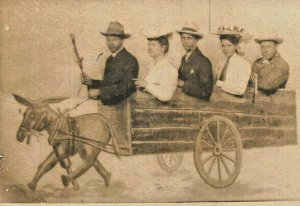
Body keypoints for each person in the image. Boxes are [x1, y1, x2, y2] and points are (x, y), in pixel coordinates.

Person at [81, 21, 139, 105]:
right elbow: (107, 84)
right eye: (108, 40)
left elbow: (127, 88)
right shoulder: (109, 59)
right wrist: (91, 82)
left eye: (114, 40)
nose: (110, 43)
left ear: (122, 40)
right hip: (107, 107)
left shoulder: (130, 60)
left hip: (122, 109)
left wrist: (100, 91)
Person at [134, 31, 178, 102]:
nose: (150, 48)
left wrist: (146, 84)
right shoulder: (153, 66)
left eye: (153, 45)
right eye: (149, 44)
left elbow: (166, 96)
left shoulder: (169, 69)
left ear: (163, 48)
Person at [176, 22, 213, 100]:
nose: (185, 41)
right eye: (183, 38)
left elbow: (206, 92)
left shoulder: (203, 62)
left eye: (189, 38)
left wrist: (183, 84)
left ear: (196, 40)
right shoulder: (184, 58)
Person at [214, 27, 251, 97]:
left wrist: (220, 83)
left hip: (235, 102)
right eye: (223, 46)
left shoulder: (244, 64)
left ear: (235, 46)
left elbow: (240, 90)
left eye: (229, 45)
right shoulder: (221, 62)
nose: (225, 49)